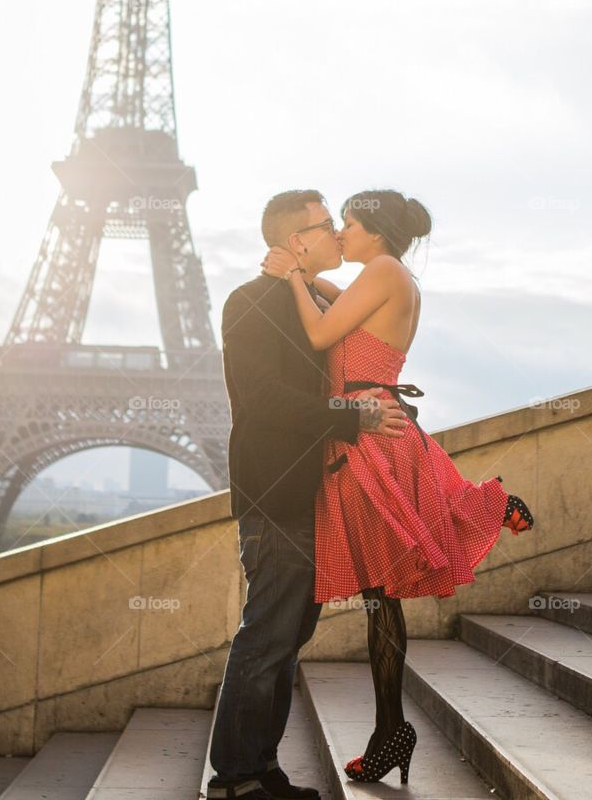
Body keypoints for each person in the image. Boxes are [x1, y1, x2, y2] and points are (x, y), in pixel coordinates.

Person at [261, 189, 534, 787]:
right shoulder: (388, 274)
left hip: (368, 432)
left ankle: (391, 730)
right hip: (371, 424)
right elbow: (335, 305)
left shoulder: (382, 269)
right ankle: (390, 728)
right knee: (379, 593)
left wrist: (288, 280)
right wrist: (306, 277)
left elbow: (317, 335)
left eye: (349, 225)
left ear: (375, 234)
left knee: (379, 590)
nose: (341, 234)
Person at [206, 190, 410, 800]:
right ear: (297, 240)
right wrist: (352, 415)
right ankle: (236, 779)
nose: (337, 236)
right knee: (267, 636)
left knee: (287, 641)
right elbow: (263, 399)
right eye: (327, 226)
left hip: (316, 495)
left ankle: (260, 768)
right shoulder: (250, 302)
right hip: (275, 492)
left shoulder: (306, 302)